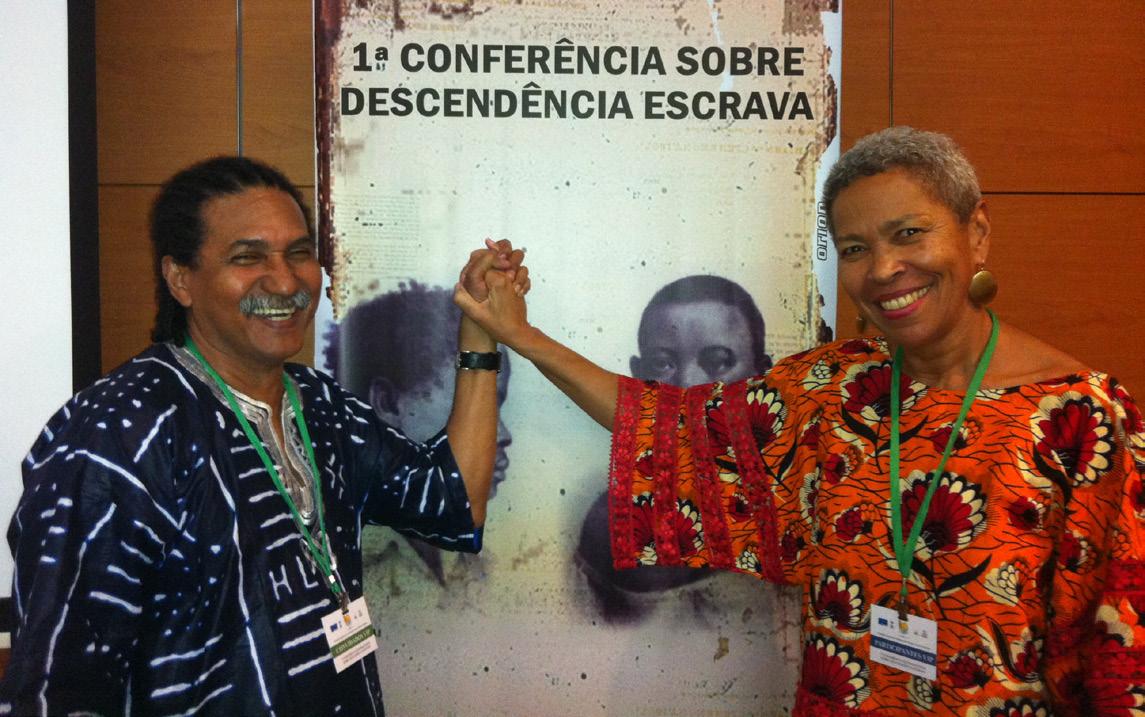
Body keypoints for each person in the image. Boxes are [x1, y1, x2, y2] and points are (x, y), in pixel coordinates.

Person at [457, 127, 1145, 714]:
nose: (884, 269)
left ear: (977, 233)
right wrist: (520, 335)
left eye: (908, 234)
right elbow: (667, 428)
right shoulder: (835, 390)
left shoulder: (1081, 422)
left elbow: (1122, 666)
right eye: (854, 248)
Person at [0, 156, 525, 716]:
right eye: (247, 257)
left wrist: (479, 333)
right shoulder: (120, 433)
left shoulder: (319, 405)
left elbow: (451, 503)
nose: (285, 281)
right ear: (180, 279)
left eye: (298, 253)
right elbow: (59, 689)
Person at [576, 275, 773, 620]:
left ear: (762, 375)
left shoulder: (797, 493)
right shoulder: (611, 523)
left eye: (718, 362)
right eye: (663, 364)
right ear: (638, 376)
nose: (686, 384)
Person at [325, 282, 513, 584]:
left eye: (493, 409)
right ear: (388, 403)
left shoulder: (481, 567)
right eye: (471, 406)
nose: (503, 435)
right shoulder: (344, 557)